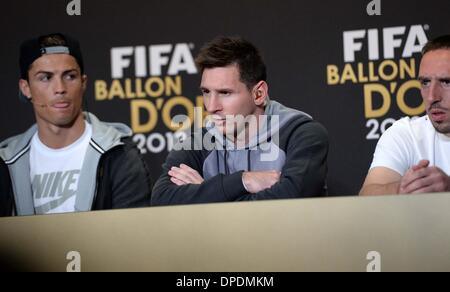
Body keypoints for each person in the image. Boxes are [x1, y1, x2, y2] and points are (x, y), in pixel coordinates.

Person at [151, 36, 329, 206]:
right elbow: (161, 199)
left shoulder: (302, 134)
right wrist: (244, 180)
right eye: (206, 92)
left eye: (225, 93)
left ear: (259, 94)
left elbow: (292, 200)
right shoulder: (199, 141)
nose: (211, 107)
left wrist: (206, 193)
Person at [0, 33, 152, 217]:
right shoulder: (5, 162)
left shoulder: (120, 154)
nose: (60, 88)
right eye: (45, 78)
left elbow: (131, 236)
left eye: (70, 76)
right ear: (26, 88)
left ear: (83, 83)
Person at [360, 35, 450, 196]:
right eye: (425, 82)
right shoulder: (406, 133)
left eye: (446, 82)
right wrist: (401, 190)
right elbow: (367, 196)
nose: (431, 97)